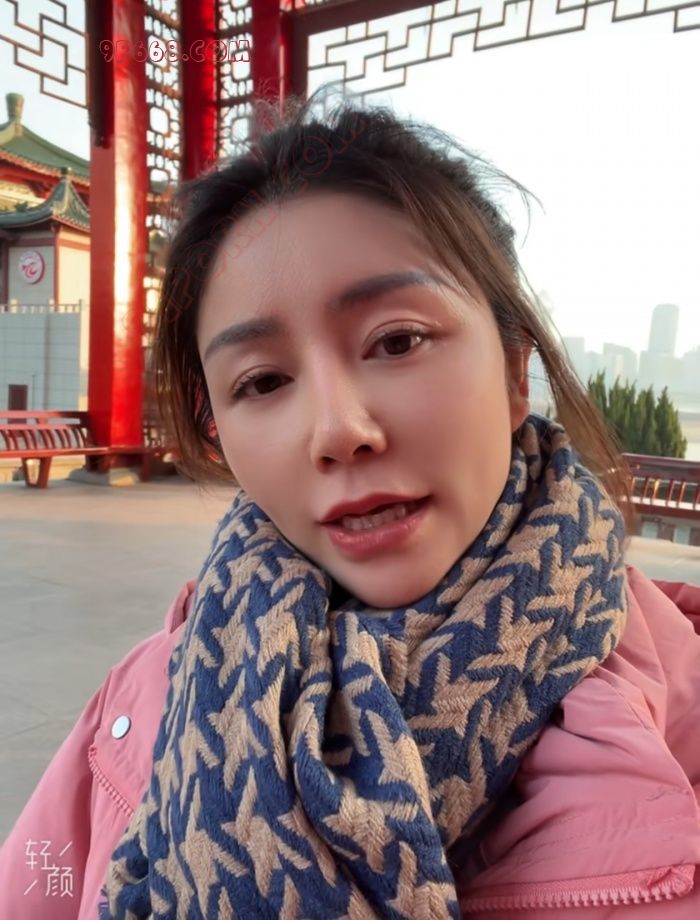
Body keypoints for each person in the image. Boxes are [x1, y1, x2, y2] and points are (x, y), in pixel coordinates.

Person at [1, 90, 699, 920]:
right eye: (263, 381)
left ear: (516, 371)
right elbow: (38, 883)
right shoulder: (150, 695)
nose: (337, 431)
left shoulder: (675, 721)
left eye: (397, 341)